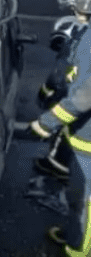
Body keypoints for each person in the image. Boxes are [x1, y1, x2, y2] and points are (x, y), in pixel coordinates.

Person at [31, 0, 91, 257]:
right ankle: (72, 233)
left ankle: (77, 253)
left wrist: (46, 123)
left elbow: (84, 97)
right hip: (80, 136)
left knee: (85, 202)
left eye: (74, 2)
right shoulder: (87, 33)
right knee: (75, 193)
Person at [36, 13, 88, 181]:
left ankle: (57, 166)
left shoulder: (71, 55)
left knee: (67, 126)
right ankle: (58, 164)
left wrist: (45, 116)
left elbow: (57, 81)